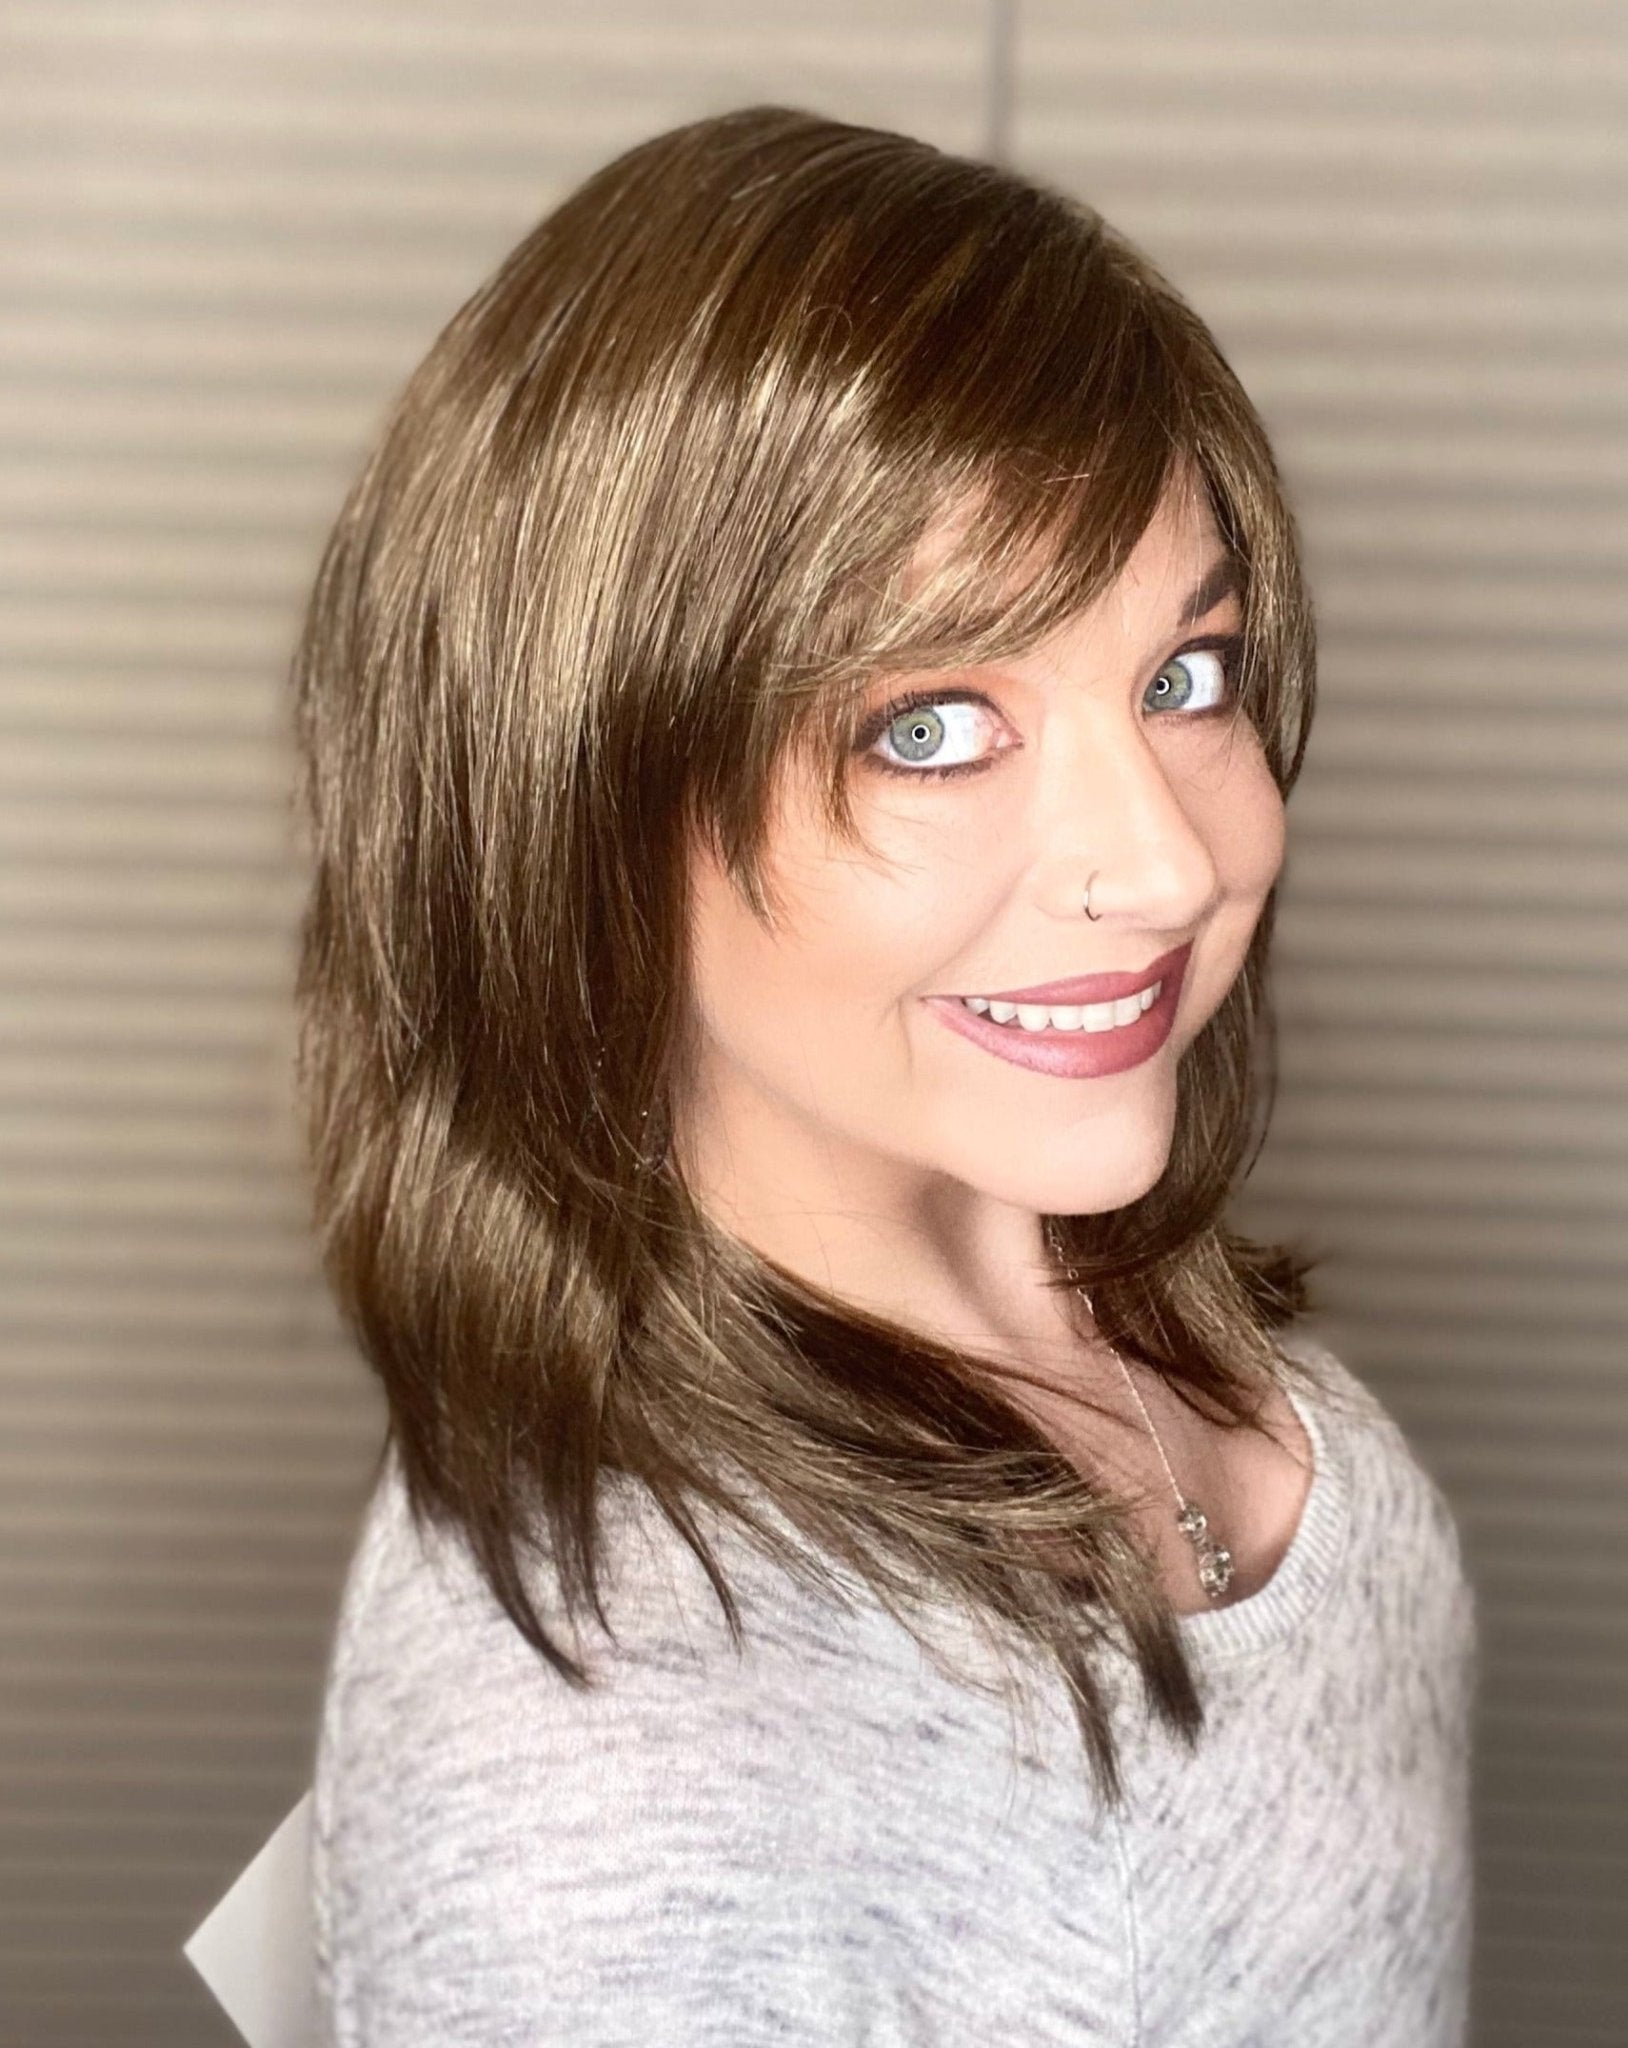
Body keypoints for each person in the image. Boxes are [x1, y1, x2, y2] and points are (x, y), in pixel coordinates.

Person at [290, 105, 1477, 2046]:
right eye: (930, 724)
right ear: (576, 808)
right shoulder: (613, 1771)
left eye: (1183, 678)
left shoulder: (1136, 1313)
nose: (1165, 865)